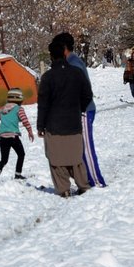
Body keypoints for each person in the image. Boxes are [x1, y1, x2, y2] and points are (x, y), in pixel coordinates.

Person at [37, 39, 94, 198]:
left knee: (56, 159)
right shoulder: (77, 73)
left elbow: (43, 104)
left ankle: (64, 189)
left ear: (51, 56)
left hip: (54, 124)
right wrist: (79, 108)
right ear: (64, 53)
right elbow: (88, 94)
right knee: (75, 157)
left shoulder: (47, 77)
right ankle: (83, 185)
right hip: (73, 122)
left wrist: (40, 126)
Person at [57, 32, 106, 188]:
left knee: (86, 149)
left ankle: (97, 182)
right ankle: (87, 181)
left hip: (83, 111)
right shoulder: (69, 62)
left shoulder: (74, 63)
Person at [0, 88, 35, 181]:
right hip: (13, 136)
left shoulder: (2, 109)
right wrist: (30, 132)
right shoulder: (19, 109)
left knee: (4, 159)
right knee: (21, 154)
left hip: (2, 137)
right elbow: (25, 121)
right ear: (19, 99)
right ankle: (18, 175)